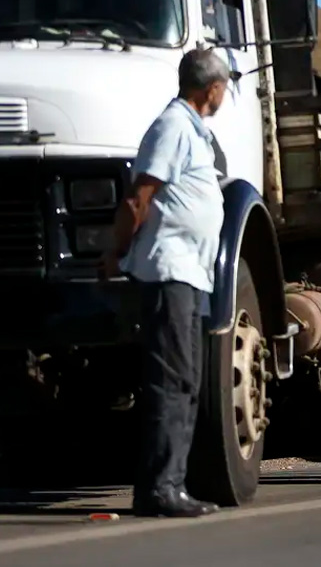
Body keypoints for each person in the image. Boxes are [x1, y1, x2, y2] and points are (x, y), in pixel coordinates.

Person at [101, 48, 230, 518]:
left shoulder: (193, 130)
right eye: (223, 86)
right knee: (173, 381)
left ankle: (168, 483)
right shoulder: (173, 126)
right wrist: (115, 251)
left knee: (186, 381)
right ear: (210, 88)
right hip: (169, 270)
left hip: (188, 274)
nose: (225, 94)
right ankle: (160, 488)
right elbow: (140, 197)